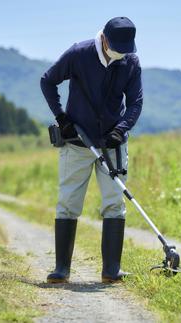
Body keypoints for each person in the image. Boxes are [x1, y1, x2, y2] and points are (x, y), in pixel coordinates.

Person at [40, 17, 143, 283]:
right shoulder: (79, 53)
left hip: (113, 143)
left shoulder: (130, 60)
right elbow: (48, 81)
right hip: (77, 142)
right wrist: (62, 118)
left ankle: (111, 270)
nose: (121, 52)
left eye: (126, 47)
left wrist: (120, 129)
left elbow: (135, 102)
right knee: (68, 202)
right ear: (105, 39)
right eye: (117, 46)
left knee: (114, 203)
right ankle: (62, 269)